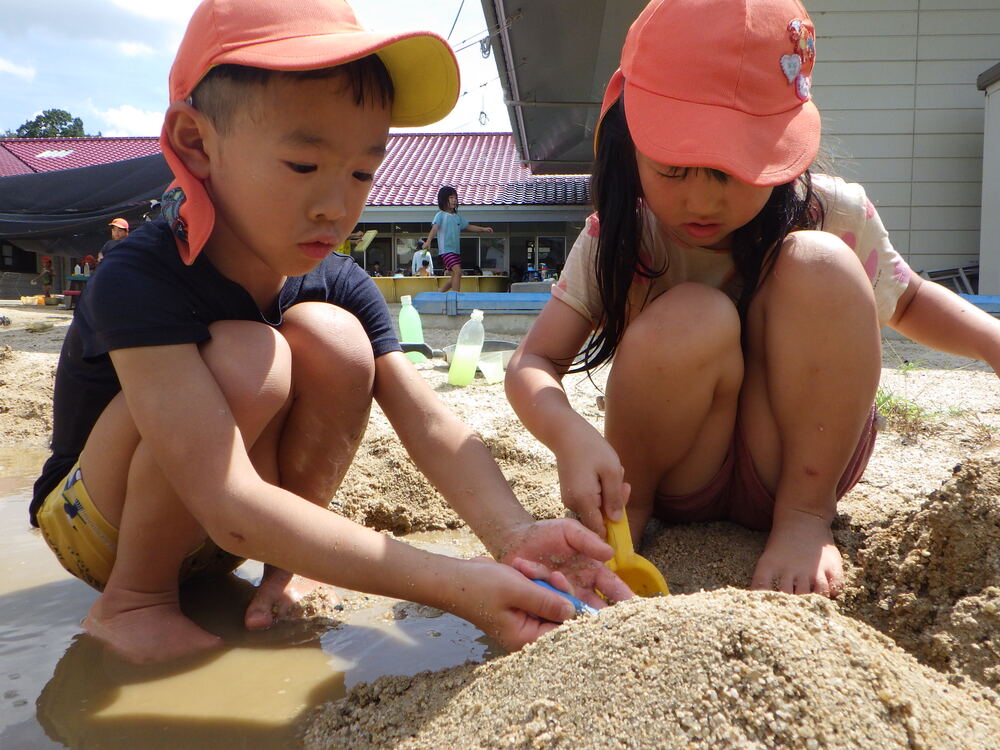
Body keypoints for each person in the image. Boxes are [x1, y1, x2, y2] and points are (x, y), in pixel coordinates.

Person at [30, 0, 630, 666]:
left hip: (228, 533)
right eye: (303, 167)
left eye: (362, 173)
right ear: (198, 144)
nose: (337, 205)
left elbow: (430, 423)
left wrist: (513, 535)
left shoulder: (338, 280)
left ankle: (287, 568)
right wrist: (455, 586)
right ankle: (136, 601)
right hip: (102, 530)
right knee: (250, 357)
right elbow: (225, 496)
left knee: (339, 342)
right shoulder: (140, 275)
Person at [505, 0, 1000, 601]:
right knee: (694, 315)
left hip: (796, 457)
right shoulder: (621, 233)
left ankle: (804, 521)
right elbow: (533, 363)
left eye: (734, 171)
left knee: (819, 263)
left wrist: (991, 344)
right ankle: (621, 525)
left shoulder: (832, 210)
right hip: (677, 471)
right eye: (674, 169)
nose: (702, 202)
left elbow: (910, 299)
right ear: (629, 141)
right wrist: (570, 436)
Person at [424, 186, 492, 292]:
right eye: (451, 197)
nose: (454, 200)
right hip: (446, 250)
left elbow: (468, 226)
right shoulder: (440, 215)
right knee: (457, 270)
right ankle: (456, 294)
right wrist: (428, 241)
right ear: (443, 200)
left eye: (455, 198)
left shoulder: (457, 217)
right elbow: (434, 229)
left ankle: (440, 291)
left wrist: (482, 229)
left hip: (455, 251)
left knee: (457, 274)